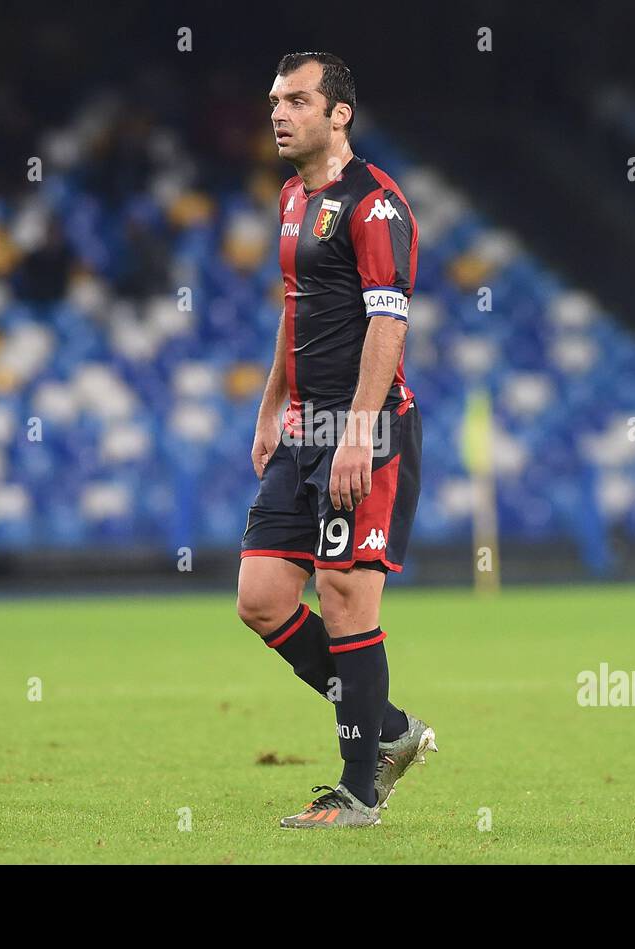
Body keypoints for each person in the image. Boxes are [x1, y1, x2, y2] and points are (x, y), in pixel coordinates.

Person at [236, 52, 435, 829]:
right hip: (303, 426)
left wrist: (356, 430)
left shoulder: (376, 206)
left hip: (367, 427)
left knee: (347, 596)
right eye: (275, 101)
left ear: (339, 113)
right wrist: (269, 406)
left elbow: (388, 321)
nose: (279, 113)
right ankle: (387, 728)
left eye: (297, 99)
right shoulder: (291, 198)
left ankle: (358, 790)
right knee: (262, 598)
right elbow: (297, 309)